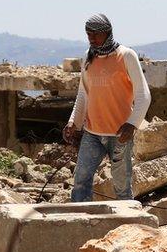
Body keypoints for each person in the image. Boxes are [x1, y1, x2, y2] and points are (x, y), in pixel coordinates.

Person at [64, 14, 150, 202]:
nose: (92, 39)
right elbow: (83, 93)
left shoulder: (126, 55)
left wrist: (132, 124)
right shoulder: (89, 57)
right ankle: (80, 222)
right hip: (92, 133)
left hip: (120, 135)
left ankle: (128, 226)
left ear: (107, 33)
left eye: (96, 34)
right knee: (80, 180)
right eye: (88, 34)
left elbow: (143, 94)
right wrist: (73, 123)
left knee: (122, 187)